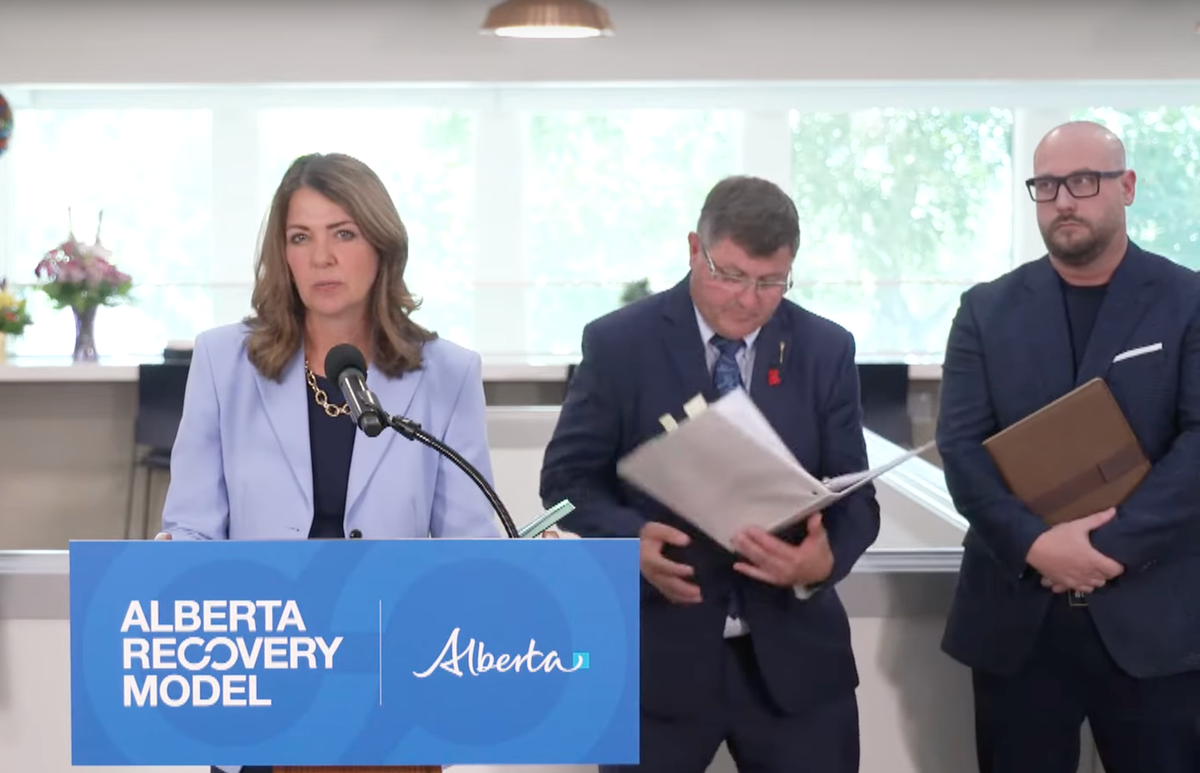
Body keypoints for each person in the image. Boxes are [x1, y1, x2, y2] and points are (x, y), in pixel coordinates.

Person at [156, 152, 501, 773]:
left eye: (343, 233)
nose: (322, 257)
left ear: (382, 245)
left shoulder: (448, 372)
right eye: (300, 237)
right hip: (261, 680)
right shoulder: (221, 361)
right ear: (282, 255)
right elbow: (194, 529)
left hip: (393, 687)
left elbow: (467, 543)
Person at [540, 175, 881, 773]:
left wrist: (820, 565)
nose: (749, 300)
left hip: (796, 665)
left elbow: (857, 499)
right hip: (656, 663)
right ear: (695, 248)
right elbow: (565, 484)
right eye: (730, 274)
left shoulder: (825, 348)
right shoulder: (619, 343)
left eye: (771, 282)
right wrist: (629, 543)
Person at [936, 120, 1200, 773]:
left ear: (1127, 186)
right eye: (1047, 184)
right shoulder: (985, 309)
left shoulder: (1188, 300)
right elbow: (962, 448)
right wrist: (1034, 544)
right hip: (1017, 620)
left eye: (1084, 181)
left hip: (1156, 623)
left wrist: (1102, 551)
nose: (1063, 200)